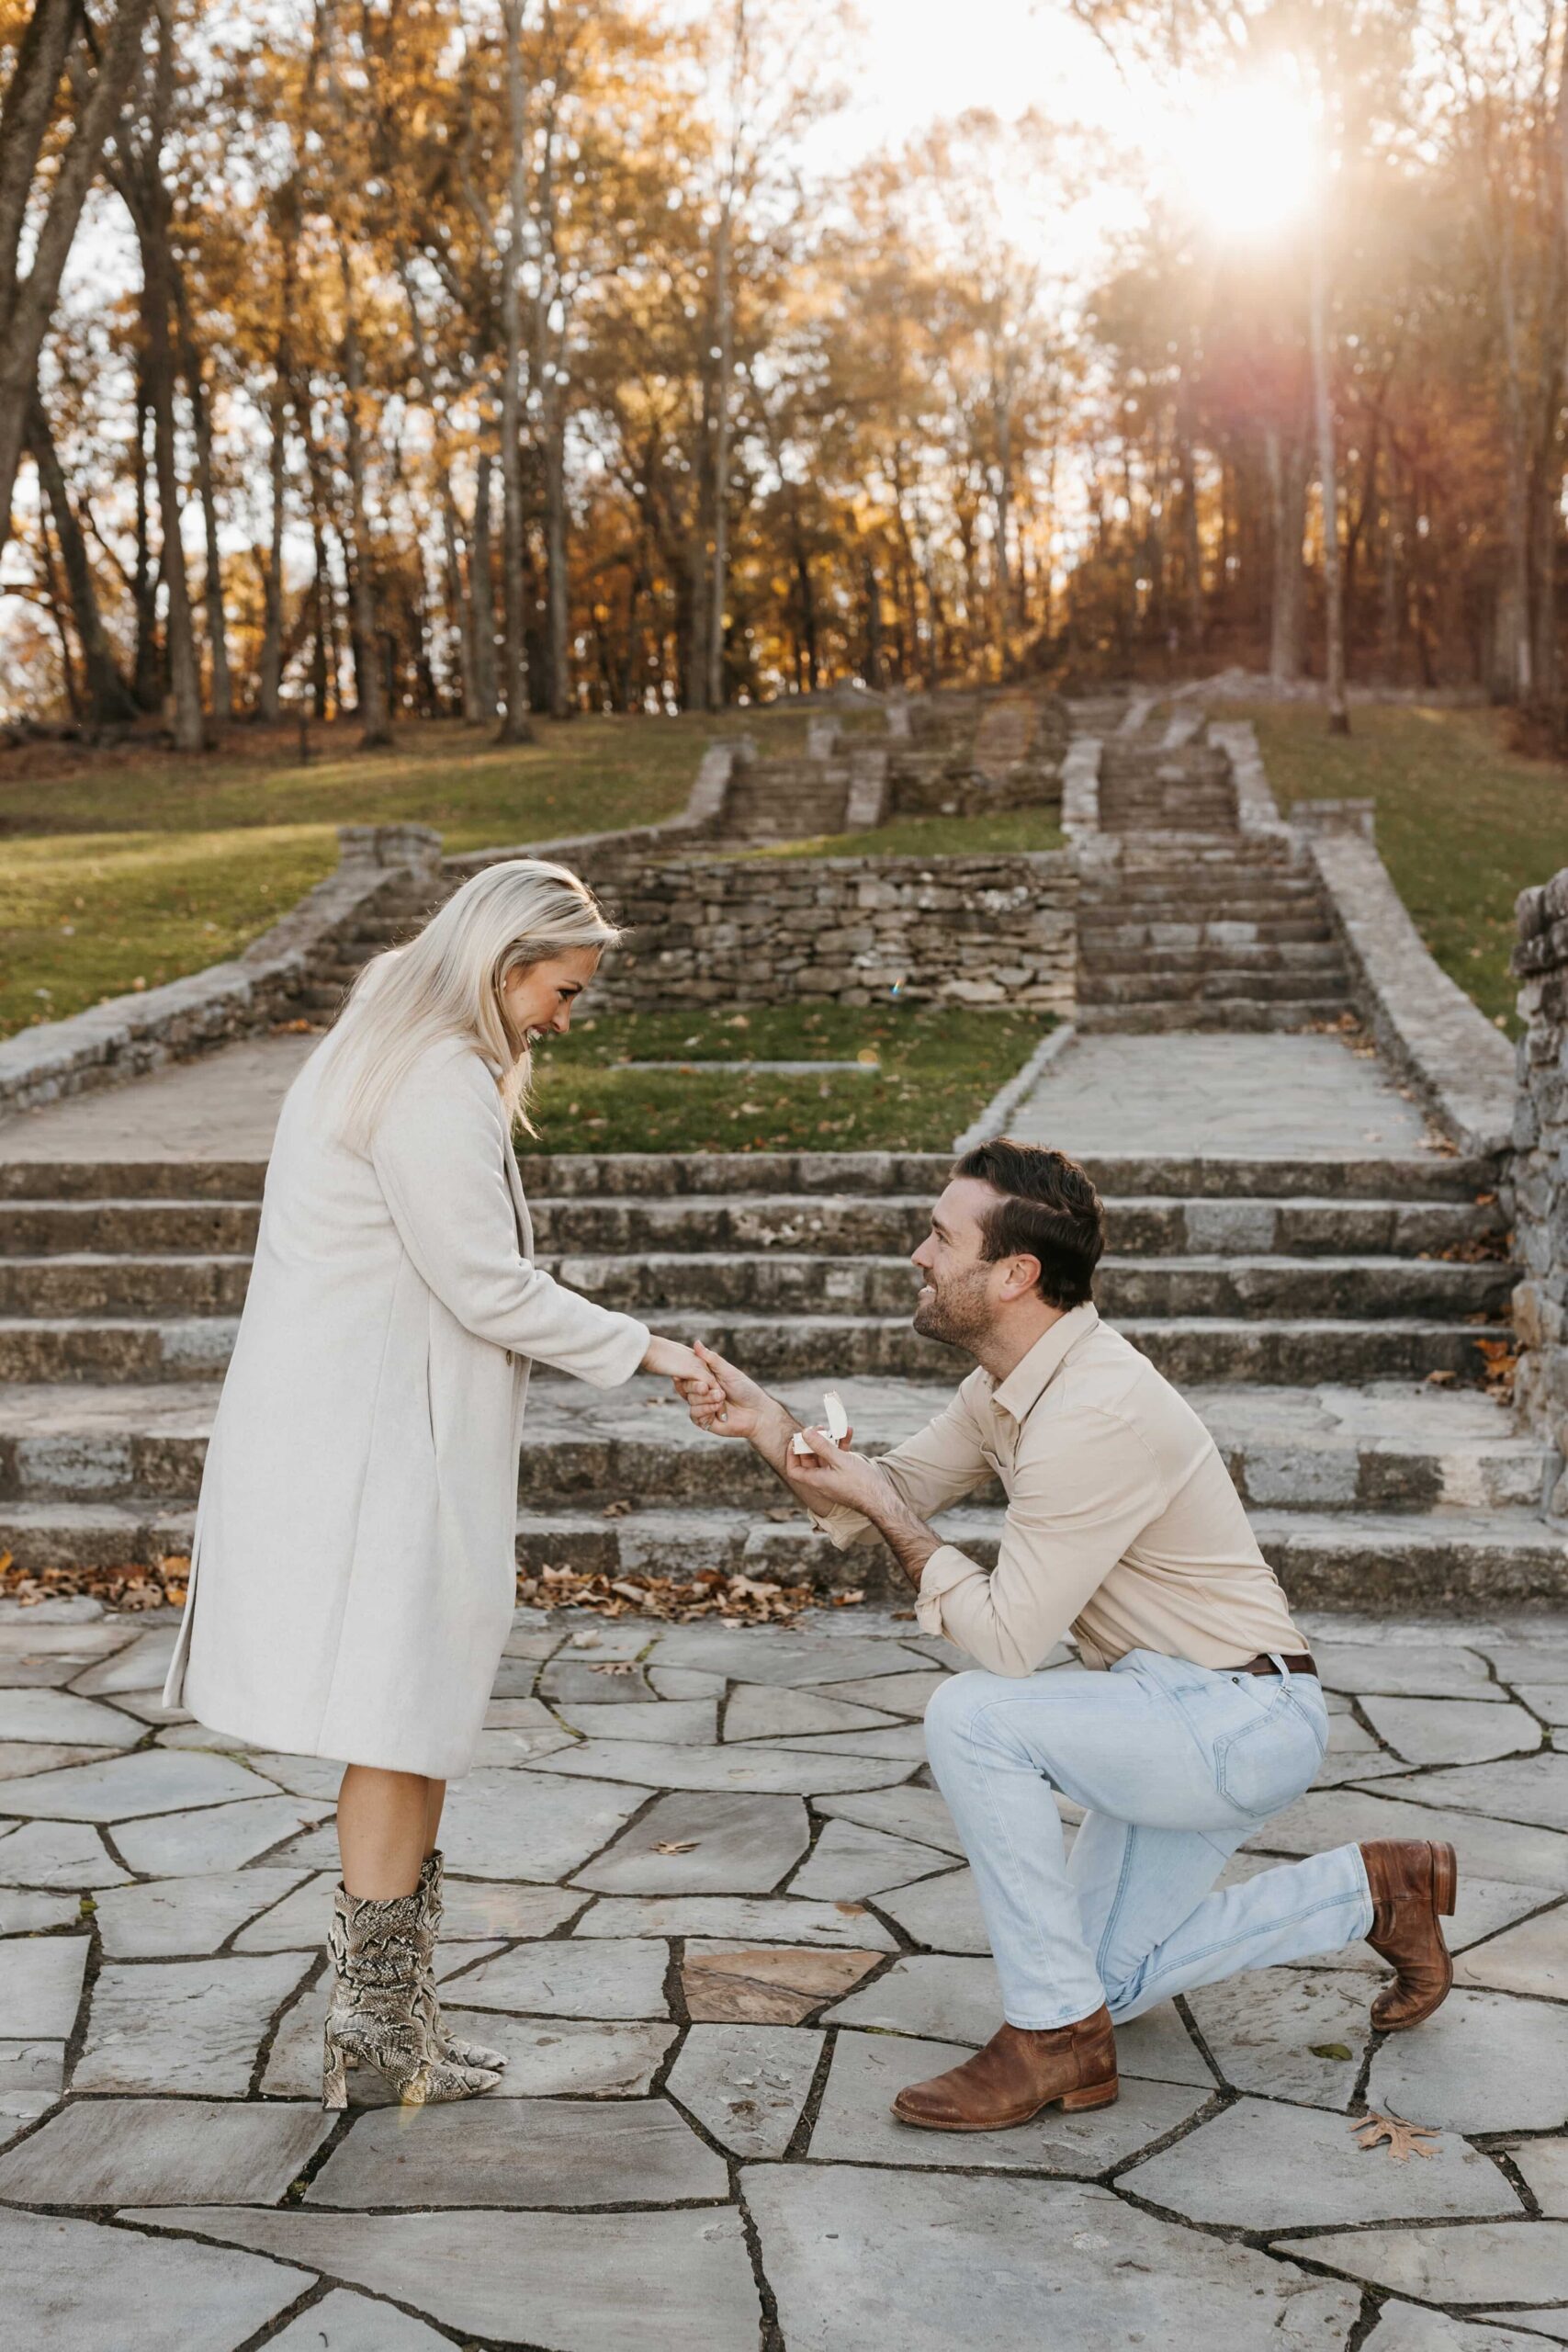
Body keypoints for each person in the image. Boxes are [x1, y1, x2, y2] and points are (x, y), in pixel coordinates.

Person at [677, 1137, 1456, 2132]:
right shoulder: (1013, 1379)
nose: (919, 1254)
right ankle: (1378, 1889)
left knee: (975, 1713)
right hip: (1163, 1706)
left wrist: (883, 1503)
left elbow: (1004, 1642)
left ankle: (1048, 2042)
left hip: (1232, 1717)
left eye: (939, 1236)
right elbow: (884, 1495)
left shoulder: (1095, 1408)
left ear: (1014, 1273)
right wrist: (760, 1422)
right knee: (1108, 1982)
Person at [164, 859, 709, 2110]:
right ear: (501, 963)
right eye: (560, 992)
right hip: (377, 1445)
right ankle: (377, 2035)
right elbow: (484, 1284)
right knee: (401, 1719)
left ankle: (383, 2028)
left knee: (400, 1723)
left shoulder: (381, 1042)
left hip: (355, 1428)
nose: (563, 1021)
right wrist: (664, 1357)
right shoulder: (432, 1076)